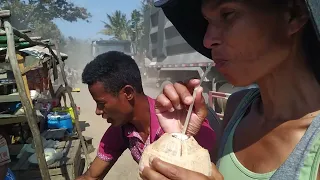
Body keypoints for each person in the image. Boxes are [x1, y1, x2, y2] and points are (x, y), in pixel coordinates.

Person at [139, 0, 320, 179]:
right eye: (208, 22)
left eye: (227, 14)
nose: (207, 40)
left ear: (293, 15)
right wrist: (182, 141)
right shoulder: (238, 107)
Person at [76, 51, 216, 179]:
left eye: (101, 104)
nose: (98, 111)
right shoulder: (122, 127)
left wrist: (184, 136)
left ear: (128, 93)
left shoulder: (178, 124)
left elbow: (214, 174)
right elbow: (91, 176)